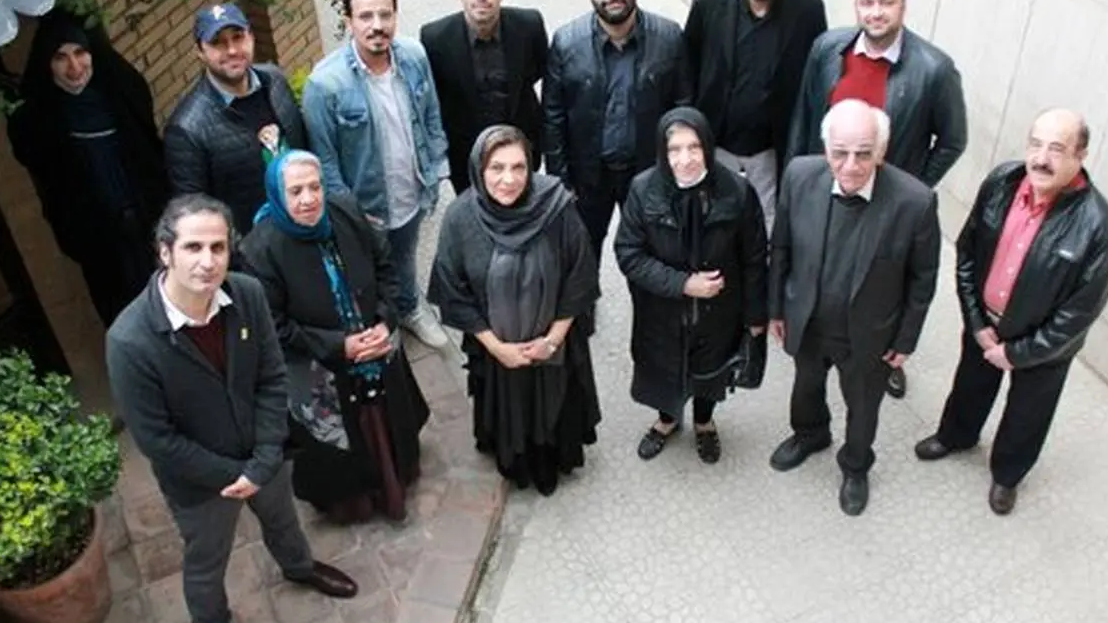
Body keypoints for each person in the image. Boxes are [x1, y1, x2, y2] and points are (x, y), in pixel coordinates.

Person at [105, 194, 357, 623]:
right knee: (206, 562)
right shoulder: (129, 341)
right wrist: (233, 475)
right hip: (201, 482)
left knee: (283, 520)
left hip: (262, 455)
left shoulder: (247, 294)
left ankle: (299, 568)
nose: (208, 261)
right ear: (165, 252)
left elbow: (271, 377)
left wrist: (262, 459)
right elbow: (157, 440)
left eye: (218, 247)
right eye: (193, 247)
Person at [914, 109, 1108, 515]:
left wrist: (1017, 353)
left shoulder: (1100, 226)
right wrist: (977, 323)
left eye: (1057, 149)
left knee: (1028, 415)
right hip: (986, 327)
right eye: (1036, 144)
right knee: (970, 386)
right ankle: (956, 436)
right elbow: (967, 253)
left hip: (1044, 349)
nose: (1041, 158)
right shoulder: (1001, 183)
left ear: (1081, 156)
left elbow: (1080, 312)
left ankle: (1007, 475)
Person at [787, 0, 965, 399]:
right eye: (867, 2)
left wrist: (911, 191)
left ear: (903, 6)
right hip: (829, 189)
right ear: (856, 5)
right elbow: (805, 115)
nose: (876, 12)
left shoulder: (935, 69)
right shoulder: (828, 48)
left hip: (886, 203)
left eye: (886, 2)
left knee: (886, 282)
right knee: (824, 268)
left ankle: (887, 356)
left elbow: (953, 140)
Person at [768, 100, 940, 515]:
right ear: (825, 148)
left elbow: (923, 279)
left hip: (868, 333)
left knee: (863, 407)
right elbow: (782, 246)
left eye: (864, 153)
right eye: (839, 152)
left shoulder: (915, 202)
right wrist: (775, 309)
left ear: (881, 151)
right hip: (808, 321)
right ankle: (811, 434)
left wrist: (906, 340)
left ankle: (856, 466)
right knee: (806, 386)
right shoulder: (799, 175)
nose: (850, 166)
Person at [240, 149, 429, 524]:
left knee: (389, 419)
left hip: (374, 341)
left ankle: (394, 476)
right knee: (340, 447)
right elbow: (273, 326)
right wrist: (340, 346)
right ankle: (353, 498)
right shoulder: (259, 251)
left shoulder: (347, 212)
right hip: (319, 366)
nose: (308, 199)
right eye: (296, 191)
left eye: (315, 187)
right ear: (278, 194)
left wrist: (384, 320)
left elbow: (385, 268)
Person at [428, 124, 601, 495]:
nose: (508, 180)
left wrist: (552, 340)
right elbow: (453, 290)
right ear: (479, 169)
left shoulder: (557, 208)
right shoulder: (460, 218)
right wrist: (497, 348)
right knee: (511, 411)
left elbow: (579, 276)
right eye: (496, 168)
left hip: (554, 347)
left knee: (554, 410)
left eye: (518, 167)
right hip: (498, 351)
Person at [302, 0, 451, 350]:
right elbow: (325, 160)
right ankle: (382, 324)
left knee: (404, 256)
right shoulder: (325, 84)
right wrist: (350, 214)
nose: (377, 25)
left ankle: (410, 309)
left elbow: (432, 115)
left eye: (385, 14)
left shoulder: (414, 57)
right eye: (366, 16)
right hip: (365, 207)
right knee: (367, 272)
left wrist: (435, 168)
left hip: (412, 191)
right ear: (348, 21)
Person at [614, 107, 768, 464]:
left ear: (708, 147)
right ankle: (667, 421)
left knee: (711, 372)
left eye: (694, 147)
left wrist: (756, 316)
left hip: (719, 311)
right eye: (675, 149)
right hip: (661, 310)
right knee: (662, 370)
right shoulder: (643, 189)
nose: (685, 159)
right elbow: (629, 254)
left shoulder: (737, 191)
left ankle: (704, 422)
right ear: (662, 151)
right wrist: (683, 284)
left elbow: (754, 257)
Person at [8, 9, 168, 326]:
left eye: (80, 52)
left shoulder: (121, 94)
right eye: (61, 58)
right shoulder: (42, 121)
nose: (74, 67)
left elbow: (150, 157)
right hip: (103, 245)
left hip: (151, 225)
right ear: (47, 64)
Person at [542, 0, 691, 268]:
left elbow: (683, 108)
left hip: (648, 175)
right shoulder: (566, 42)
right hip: (588, 177)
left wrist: (672, 176)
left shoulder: (669, 37)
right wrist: (561, 183)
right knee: (580, 263)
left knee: (651, 261)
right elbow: (553, 117)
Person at [683, 0, 826, 231]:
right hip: (716, 143)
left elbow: (815, 81)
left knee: (765, 226)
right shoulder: (709, 3)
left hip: (770, 151)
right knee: (710, 221)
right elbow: (687, 69)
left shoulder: (809, 11)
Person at [164, 2, 307, 237]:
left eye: (238, 37)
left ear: (251, 37)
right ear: (200, 51)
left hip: (305, 225)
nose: (232, 50)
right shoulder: (187, 129)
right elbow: (195, 216)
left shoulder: (275, 81)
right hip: (254, 247)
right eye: (218, 42)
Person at [421, 0, 550, 193]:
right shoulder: (435, 39)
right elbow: (434, 103)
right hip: (467, 160)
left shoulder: (529, 25)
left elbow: (541, 75)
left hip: (522, 153)